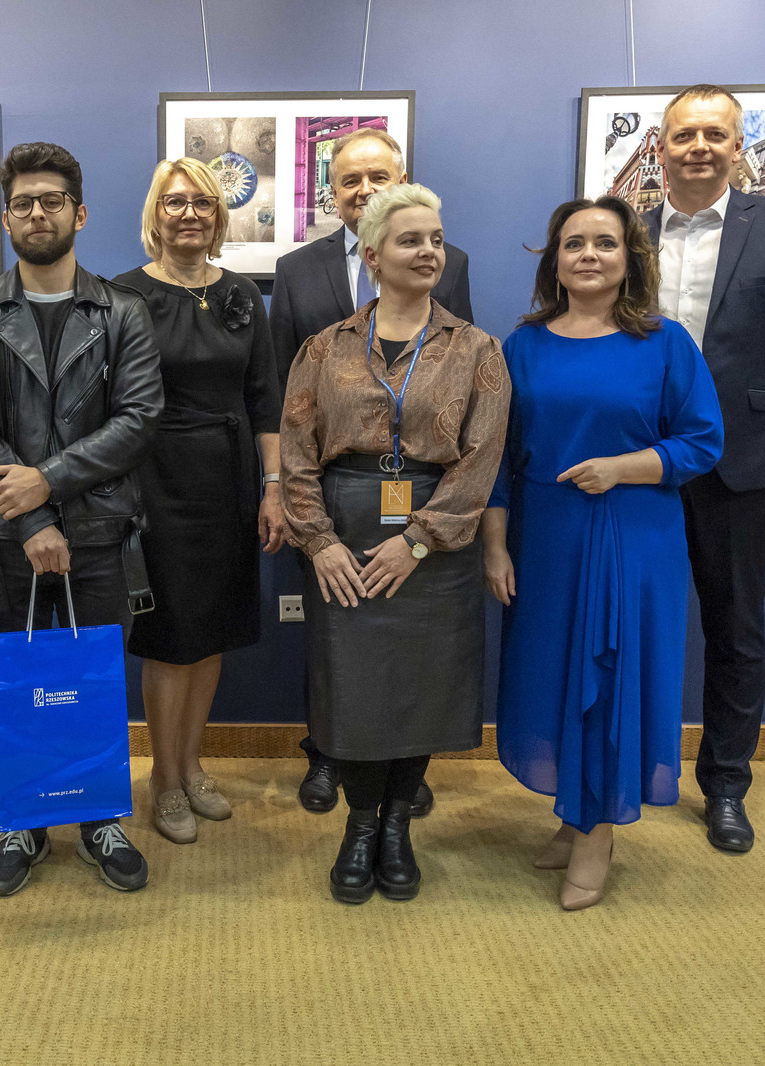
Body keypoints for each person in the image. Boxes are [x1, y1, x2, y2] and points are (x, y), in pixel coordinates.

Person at [483, 195, 724, 910]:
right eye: (574, 243)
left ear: (630, 258)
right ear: (554, 260)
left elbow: (703, 441)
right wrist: (494, 549)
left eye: (605, 243)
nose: (589, 254)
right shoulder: (522, 346)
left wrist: (624, 467)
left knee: (612, 677)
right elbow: (495, 458)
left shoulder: (665, 342)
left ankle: (597, 836)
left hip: (631, 535)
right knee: (554, 675)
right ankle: (573, 814)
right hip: (544, 537)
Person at [0, 142, 164, 896]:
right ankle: (23, 822)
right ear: (6, 219)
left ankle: (100, 818)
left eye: (52, 201)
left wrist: (47, 481)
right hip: (7, 537)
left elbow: (139, 419)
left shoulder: (122, 311)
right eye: (23, 203)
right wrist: (33, 519)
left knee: (92, 683)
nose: (37, 213)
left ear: (80, 212)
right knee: (19, 684)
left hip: (101, 532)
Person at [279, 183, 509, 904]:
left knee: (423, 684)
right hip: (344, 532)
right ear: (373, 256)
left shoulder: (478, 350)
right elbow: (295, 453)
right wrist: (319, 542)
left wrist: (416, 543)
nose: (429, 251)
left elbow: (481, 460)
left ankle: (397, 824)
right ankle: (359, 824)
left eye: (436, 239)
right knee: (352, 683)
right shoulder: (323, 347)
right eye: (411, 240)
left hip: (436, 535)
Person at [644, 85, 765, 853]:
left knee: (735, 629)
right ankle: (626, 771)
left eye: (714, 134)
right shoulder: (622, 228)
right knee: (628, 621)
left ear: (737, 146)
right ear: (661, 146)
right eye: (684, 134)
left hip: (742, 456)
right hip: (638, 460)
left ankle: (726, 785)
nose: (698, 146)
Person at [269, 127, 474, 816]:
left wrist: (423, 531)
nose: (364, 190)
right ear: (333, 192)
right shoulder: (298, 270)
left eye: (378, 176)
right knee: (336, 642)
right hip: (336, 495)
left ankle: (405, 764)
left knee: (415, 647)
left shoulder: (450, 265)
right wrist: (294, 504)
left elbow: (460, 389)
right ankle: (328, 753)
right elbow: (281, 389)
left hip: (421, 494)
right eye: (350, 179)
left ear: (400, 177)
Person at [112, 159, 285, 844]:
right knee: (171, 636)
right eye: (175, 202)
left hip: (231, 479)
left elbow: (264, 398)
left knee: (212, 629)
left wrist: (274, 486)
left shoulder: (242, 294)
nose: (189, 213)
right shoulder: (122, 295)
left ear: (218, 215)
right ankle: (163, 777)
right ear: (155, 214)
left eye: (203, 203)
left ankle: (192, 763)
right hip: (156, 483)